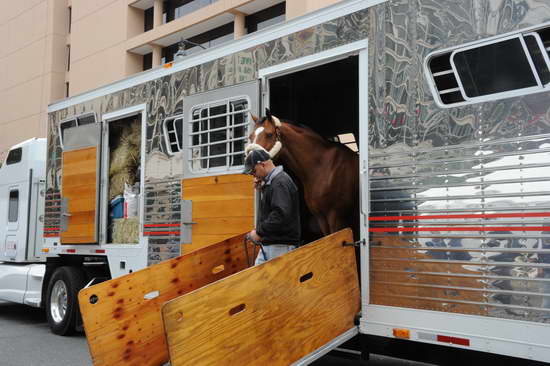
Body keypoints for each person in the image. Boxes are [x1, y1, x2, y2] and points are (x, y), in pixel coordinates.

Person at [243, 148, 301, 265]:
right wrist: (263, 188)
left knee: (274, 282)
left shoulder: (279, 183)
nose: (253, 175)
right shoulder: (275, 182)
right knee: (258, 280)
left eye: (253, 171)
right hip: (274, 245)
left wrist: (259, 232)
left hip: (280, 246)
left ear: (262, 165)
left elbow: (280, 215)